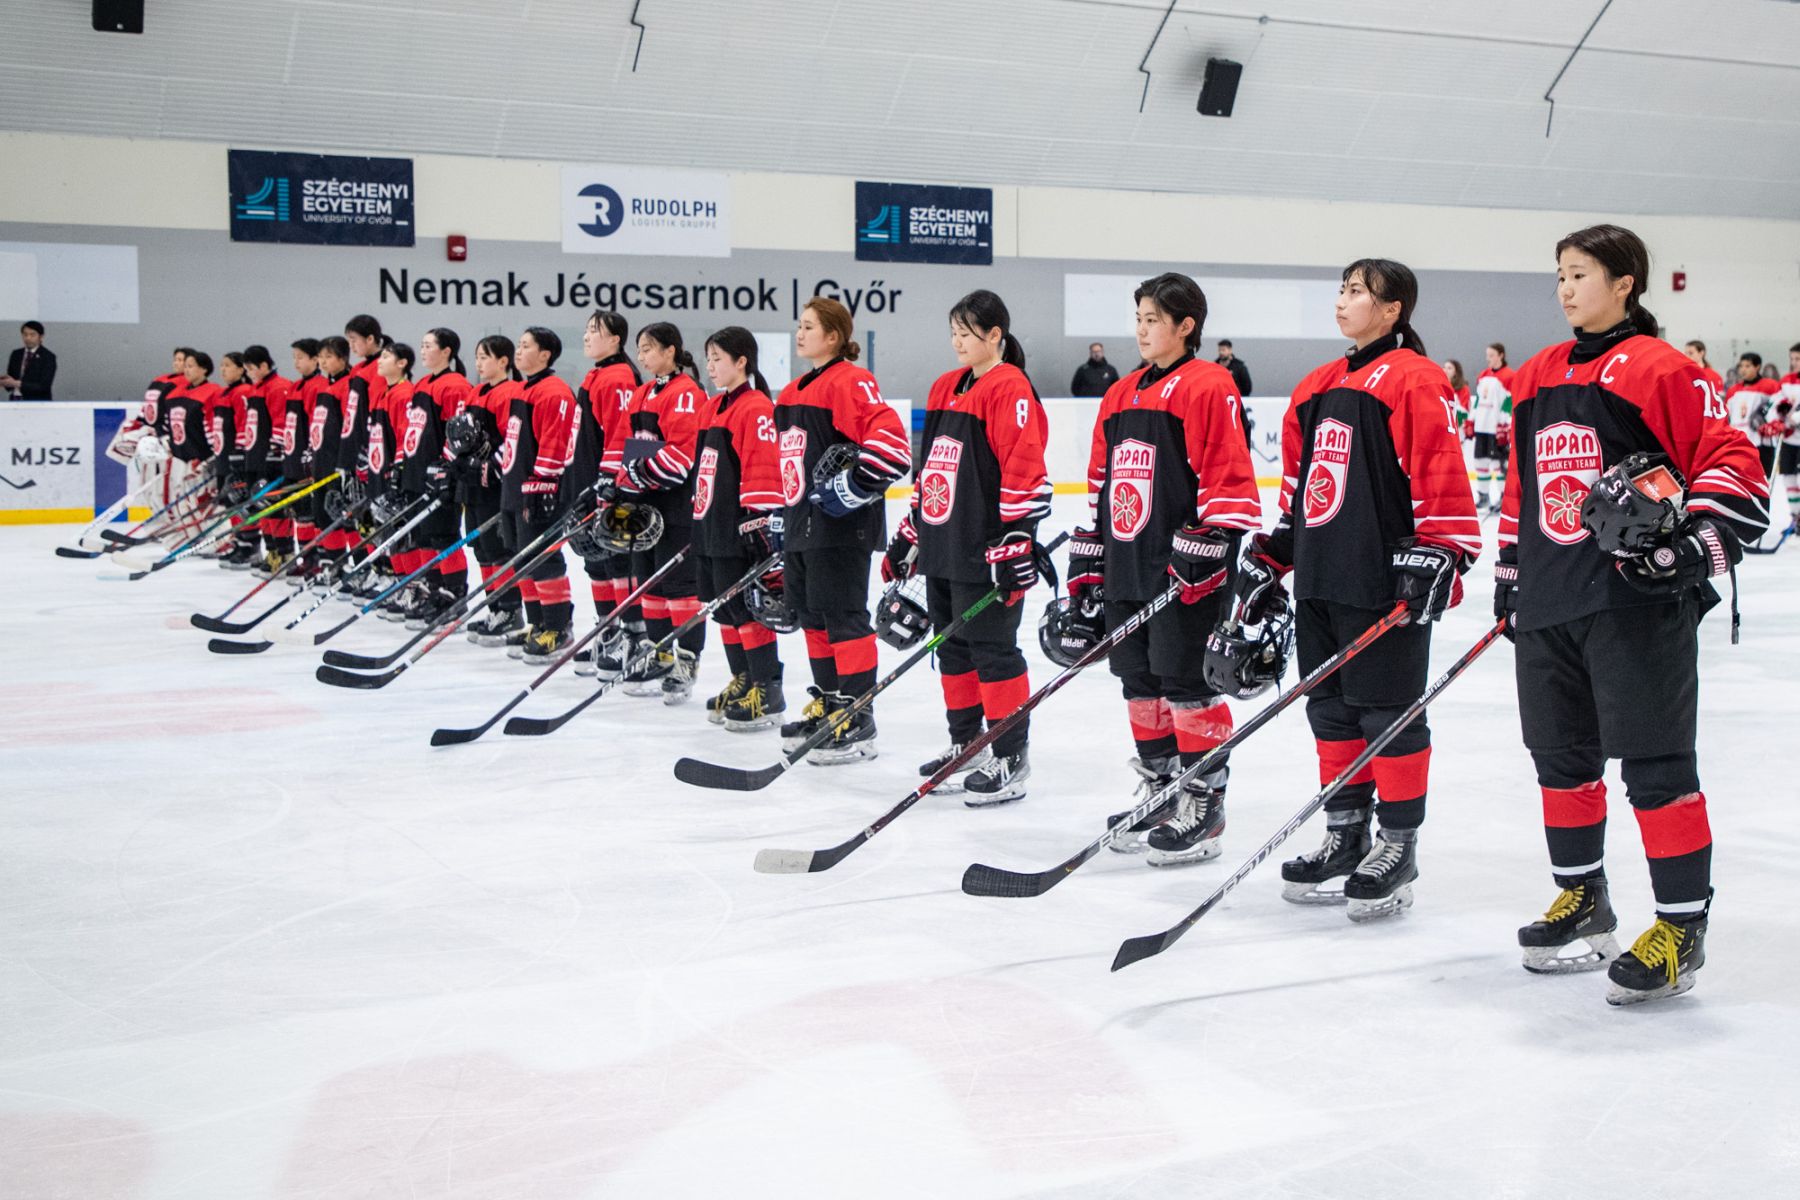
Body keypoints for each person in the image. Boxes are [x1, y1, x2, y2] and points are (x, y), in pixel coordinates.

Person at [1494, 223, 1768, 1005]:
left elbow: (1732, 463)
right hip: (1553, 595)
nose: (1565, 288)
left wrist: (1695, 547)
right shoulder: (1538, 373)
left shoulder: (1662, 367)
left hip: (1634, 603)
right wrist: (1512, 567)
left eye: (1581, 273)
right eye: (1560, 274)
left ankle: (1681, 927)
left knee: (1656, 765)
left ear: (1625, 284)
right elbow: (1521, 481)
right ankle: (1583, 896)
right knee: (1561, 759)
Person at [1237, 258, 1479, 918]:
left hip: (1383, 581)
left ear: (1392, 308)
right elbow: (1300, 490)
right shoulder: (1316, 385)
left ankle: (1398, 844)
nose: (1342, 301)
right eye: (1341, 290)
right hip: (1321, 577)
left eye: (1357, 292)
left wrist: (1441, 550)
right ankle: (1346, 834)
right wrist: (1276, 554)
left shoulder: (1415, 378)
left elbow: (1440, 471)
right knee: (1331, 711)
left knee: (1388, 714)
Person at [1071, 273, 1260, 860]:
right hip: (1129, 563)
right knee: (1138, 681)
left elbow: (1227, 473)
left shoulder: (1209, 384)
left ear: (1186, 326)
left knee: (1187, 684)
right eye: (1139, 319)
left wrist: (1213, 540)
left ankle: (1204, 802)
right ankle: (1161, 788)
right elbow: (1102, 480)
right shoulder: (1119, 393)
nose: (1142, 330)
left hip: (1185, 571)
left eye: (1153, 319)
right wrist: (1092, 549)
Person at [887, 289, 1051, 804]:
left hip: (986, 550)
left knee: (993, 651)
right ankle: (967, 745)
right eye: (953, 332)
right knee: (951, 647)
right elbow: (930, 469)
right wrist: (912, 531)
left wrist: (1017, 541)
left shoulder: (1010, 387)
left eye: (967, 332)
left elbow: (1025, 468)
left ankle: (1010, 757)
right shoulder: (944, 387)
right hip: (943, 543)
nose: (957, 342)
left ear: (995, 335)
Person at [774, 296, 912, 764]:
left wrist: (855, 485)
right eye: (799, 325)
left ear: (833, 337)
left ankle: (857, 715)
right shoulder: (789, 393)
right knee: (813, 616)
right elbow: (788, 463)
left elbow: (892, 445)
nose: (800, 333)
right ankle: (832, 704)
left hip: (840, 527)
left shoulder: (851, 381)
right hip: (802, 523)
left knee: (843, 616)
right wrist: (780, 513)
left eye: (809, 326)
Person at [606, 322, 707, 699]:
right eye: (640, 349)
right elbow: (626, 443)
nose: (642, 356)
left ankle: (687, 659)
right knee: (647, 581)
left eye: (648, 349)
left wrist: (635, 473)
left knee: (679, 586)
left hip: (677, 506)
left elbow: (681, 456)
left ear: (670, 351)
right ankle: (660, 652)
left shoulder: (687, 393)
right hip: (644, 505)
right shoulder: (642, 393)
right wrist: (615, 481)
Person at [693, 325, 787, 728]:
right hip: (710, 524)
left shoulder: (755, 407)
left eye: (718, 358)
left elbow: (761, 466)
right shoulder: (713, 407)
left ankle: (767, 688)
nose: (711, 367)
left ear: (742, 361)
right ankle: (743, 678)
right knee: (724, 608)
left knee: (747, 609)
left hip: (736, 527)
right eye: (708, 359)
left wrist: (757, 521)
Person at [564, 311, 642, 676]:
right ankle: (608, 631)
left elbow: (622, 436)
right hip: (590, 484)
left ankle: (632, 635)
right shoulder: (597, 375)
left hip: (614, 488)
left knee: (618, 562)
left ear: (615, 340)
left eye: (595, 331)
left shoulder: (618, 377)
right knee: (596, 561)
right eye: (586, 330)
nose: (586, 336)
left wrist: (610, 485)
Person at [498, 326, 579, 660]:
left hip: (539, 491)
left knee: (543, 559)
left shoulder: (554, 392)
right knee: (522, 558)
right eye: (518, 345)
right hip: (515, 487)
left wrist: (542, 484)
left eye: (525, 346)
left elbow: (555, 442)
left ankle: (558, 627)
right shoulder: (523, 389)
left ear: (545, 354)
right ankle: (538, 623)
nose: (518, 351)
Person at [390, 329, 474, 627]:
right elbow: (411, 430)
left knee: (443, 537)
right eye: (422, 345)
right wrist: (401, 465)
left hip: (440, 477)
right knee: (423, 537)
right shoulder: (423, 384)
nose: (423, 351)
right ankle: (433, 589)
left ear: (446, 351)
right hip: (417, 473)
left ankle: (453, 594)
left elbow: (459, 436)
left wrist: (446, 468)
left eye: (428, 346)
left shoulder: (455, 386)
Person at [457, 336, 527, 647]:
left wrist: (490, 467)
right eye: (477, 357)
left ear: (503, 361)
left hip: (494, 487)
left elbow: (510, 440)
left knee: (499, 550)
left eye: (485, 357)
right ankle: (494, 607)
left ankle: (510, 609)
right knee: (482, 550)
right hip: (473, 486)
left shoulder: (509, 392)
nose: (479, 363)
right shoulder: (476, 392)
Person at [239, 345, 294, 571]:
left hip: (272, 458)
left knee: (276, 506)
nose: (249, 373)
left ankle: (285, 552)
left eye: (251, 368)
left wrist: (275, 450)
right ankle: (271, 551)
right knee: (261, 506)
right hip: (256, 456)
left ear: (264, 365)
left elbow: (281, 420)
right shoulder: (255, 389)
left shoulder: (278, 387)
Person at [1470, 343, 1514, 511]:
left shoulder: (1509, 376)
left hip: (1496, 429)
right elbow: (1478, 401)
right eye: (1487, 355)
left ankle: (1504, 498)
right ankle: (1483, 496)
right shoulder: (1483, 375)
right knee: (1480, 462)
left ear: (1501, 355)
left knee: (1498, 465)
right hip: (1482, 427)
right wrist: (1471, 420)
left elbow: (1509, 402)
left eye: (1491, 355)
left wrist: (1505, 425)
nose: (1488, 359)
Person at [2, 321, 56, 399]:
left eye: (32, 335)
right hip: (15, 399)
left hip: (36, 401)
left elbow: (44, 386)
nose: (28, 338)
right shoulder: (16, 354)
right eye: (25, 334)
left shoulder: (48, 357)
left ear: (41, 337)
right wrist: (5, 382)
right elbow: (11, 382)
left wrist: (17, 383)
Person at [1442, 359, 1470, 434]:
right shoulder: (1440, 386)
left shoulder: (1463, 389)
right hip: (1443, 426)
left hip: (1457, 427)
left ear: (1456, 372)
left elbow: (1464, 410)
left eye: (1449, 368)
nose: (1445, 370)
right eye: (1444, 367)